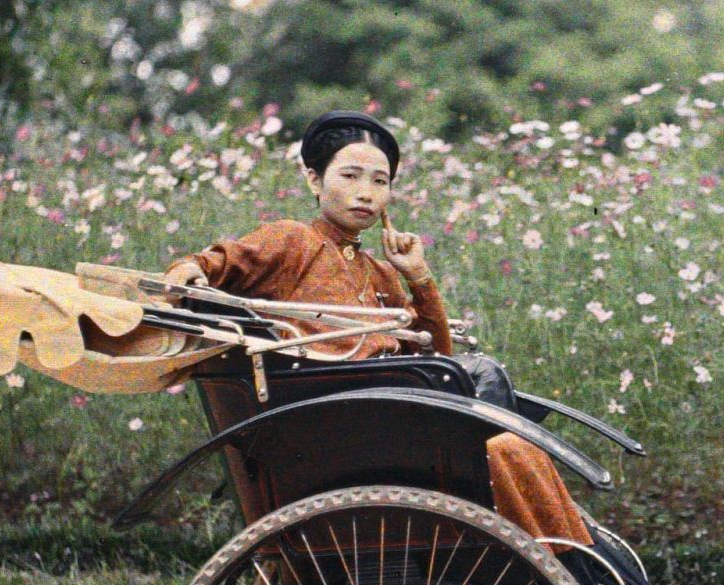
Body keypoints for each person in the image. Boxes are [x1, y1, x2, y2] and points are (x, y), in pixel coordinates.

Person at [165, 110, 595, 550]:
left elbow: (435, 356)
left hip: (395, 416)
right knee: (492, 408)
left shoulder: (380, 272)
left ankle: (581, 578)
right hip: (341, 424)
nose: (365, 194)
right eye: (350, 176)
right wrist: (190, 271)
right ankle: (571, 583)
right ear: (314, 180)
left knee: (513, 447)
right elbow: (210, 264)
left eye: (379, 181)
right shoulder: (293, 240)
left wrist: (418, 276)